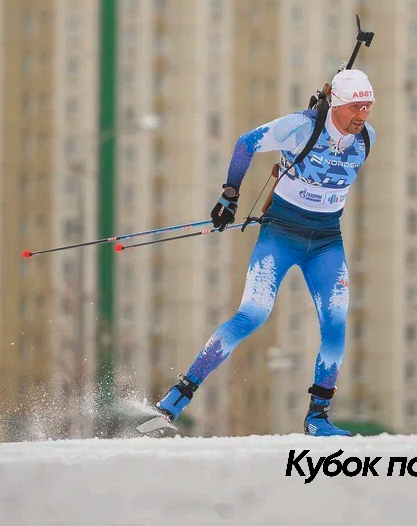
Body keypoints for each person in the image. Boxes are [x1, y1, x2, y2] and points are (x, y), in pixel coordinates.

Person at [145, 68, 376, 437]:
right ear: (336, 103)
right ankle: (178, 396)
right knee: (253, 314)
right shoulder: (300, 126)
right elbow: (245, 143)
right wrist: (229, 195)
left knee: (336, 324)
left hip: (326, 241)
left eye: (367, 108)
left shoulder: (366, 139)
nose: (361, 116)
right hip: (281, 235)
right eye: (354, 108)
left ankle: (318, 418)